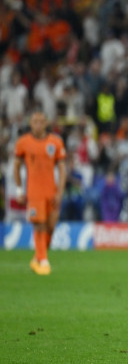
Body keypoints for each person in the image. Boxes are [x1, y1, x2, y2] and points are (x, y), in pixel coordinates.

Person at [13, 111, 67, 275]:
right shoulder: (23, 143)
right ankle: (43, 261)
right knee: (39, 224)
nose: (38, 125)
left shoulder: (55, 142)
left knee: (51, 226)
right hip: (34, 191)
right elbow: (16, 166)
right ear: (30, 123)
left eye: (41, 121)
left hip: (51, 190)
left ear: (46, 123)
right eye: (35, 121)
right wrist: (19, 190)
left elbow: (62, 168)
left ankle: (38, 257)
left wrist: (60, 191)